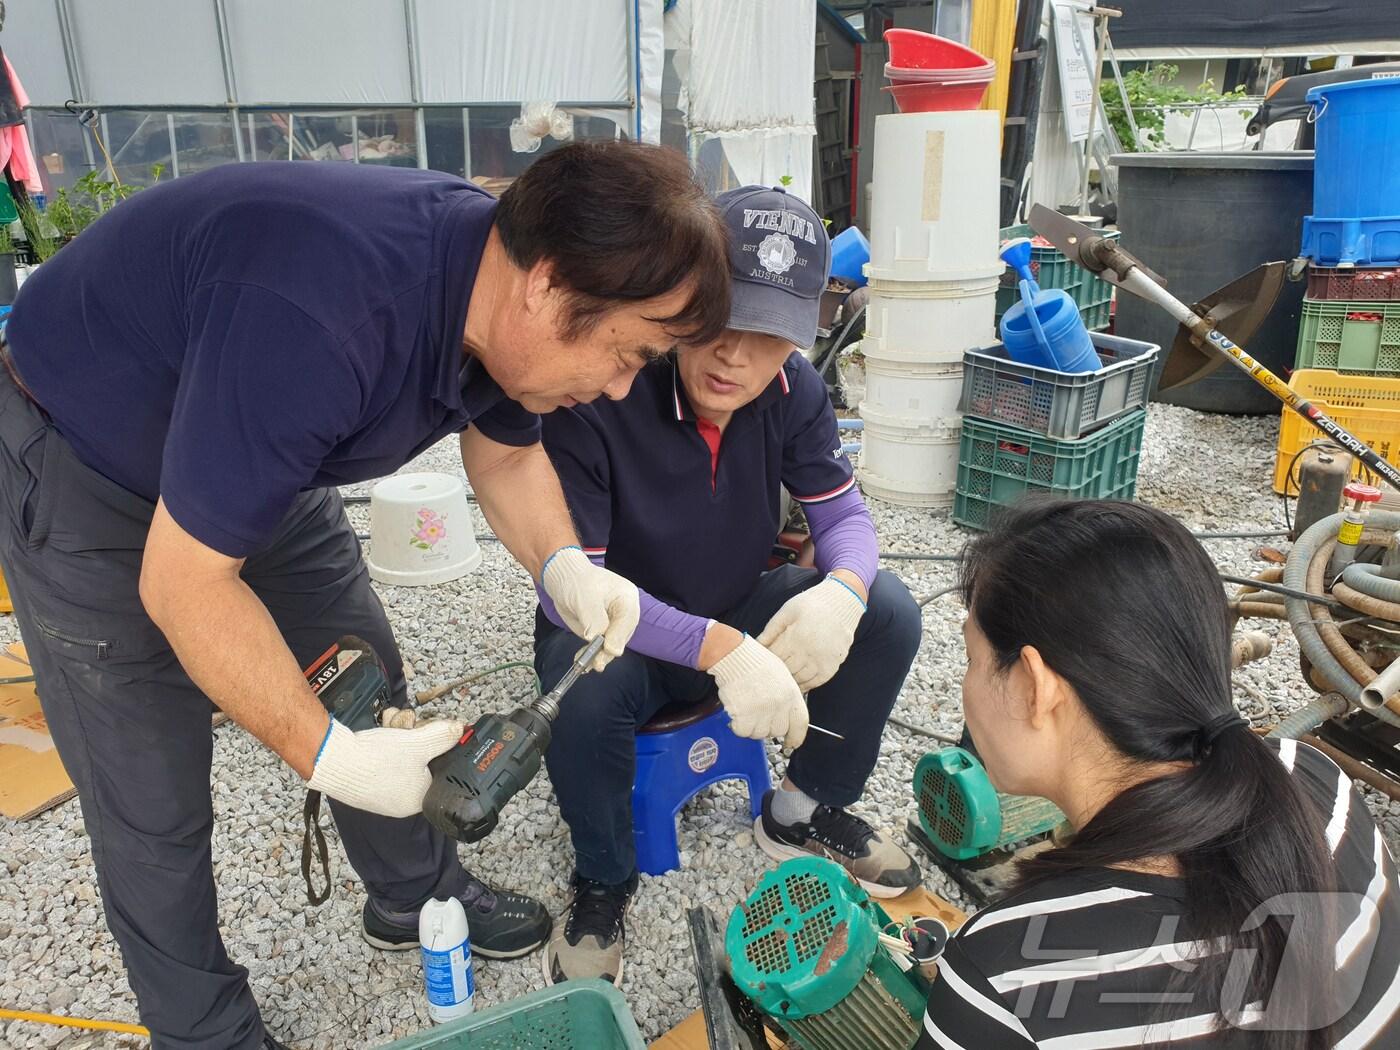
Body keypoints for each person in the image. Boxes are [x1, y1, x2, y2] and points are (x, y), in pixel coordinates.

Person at [0, 141, 731, 1049]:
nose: (621, 386)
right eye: (627, 353)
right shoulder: (320, 318)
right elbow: (185, 585)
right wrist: (327, 756)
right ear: (545, 289)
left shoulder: (494, 281)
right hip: (93, 460)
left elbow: (505, 449)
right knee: (149, 791)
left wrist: (565, 567)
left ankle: (417, 899)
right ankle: (204, 1032)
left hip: (266, 440)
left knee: (363, 683)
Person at [532, 186, 924, 986]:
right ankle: (604, 878)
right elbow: (577, 588)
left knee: (888, 612)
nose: (735, 357)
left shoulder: (794, 392)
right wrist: (719, 648)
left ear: (804, 333)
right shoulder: (602, 392)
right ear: (680, 300)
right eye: (717, 322)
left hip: (734, 609)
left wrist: (843, 589)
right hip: (618, 626)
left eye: (771, 335)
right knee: (582, 695)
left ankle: (804, 808)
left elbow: (845, 517)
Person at [918, 498, 1399, 1049]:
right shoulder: (1315, 779)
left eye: (973, 660)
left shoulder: (1006, 972)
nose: (967, 687)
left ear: (1034, 686)